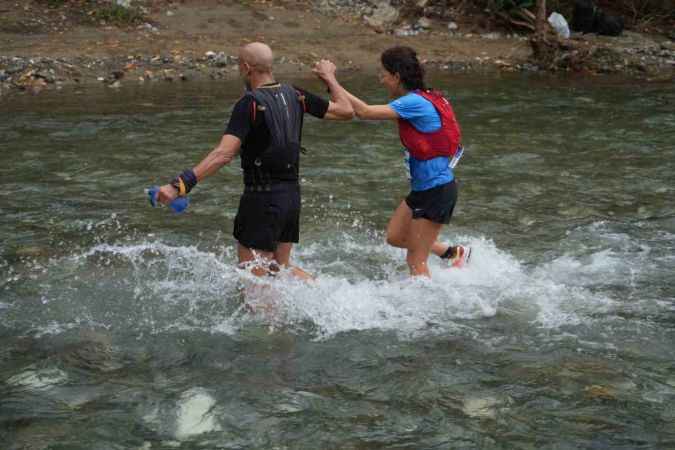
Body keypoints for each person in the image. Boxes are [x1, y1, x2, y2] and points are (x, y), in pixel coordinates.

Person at [153, 42, 353, 279]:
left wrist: (180, 185)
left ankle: (284, 314)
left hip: (262, 199)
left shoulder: (249, 103)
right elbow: (346, 110)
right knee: (280, 269)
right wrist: (329, 77)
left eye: (239, 66)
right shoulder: (296, 94)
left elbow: (223, 154)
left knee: (255, 284)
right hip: (290, 198)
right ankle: (332, 301)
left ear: (247, 68)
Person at [313, 46, 470, 278]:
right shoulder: (425, 97)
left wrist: (330, 79)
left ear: (396, 76)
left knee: (416, 261)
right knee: (395, 237)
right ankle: (453, 253)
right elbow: (362, 110)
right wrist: (332, 85)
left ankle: (424, 311)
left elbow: (364, 112)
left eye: (384, 74)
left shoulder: (415, 103)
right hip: (425, 189)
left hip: (437, 190)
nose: (381, 79)